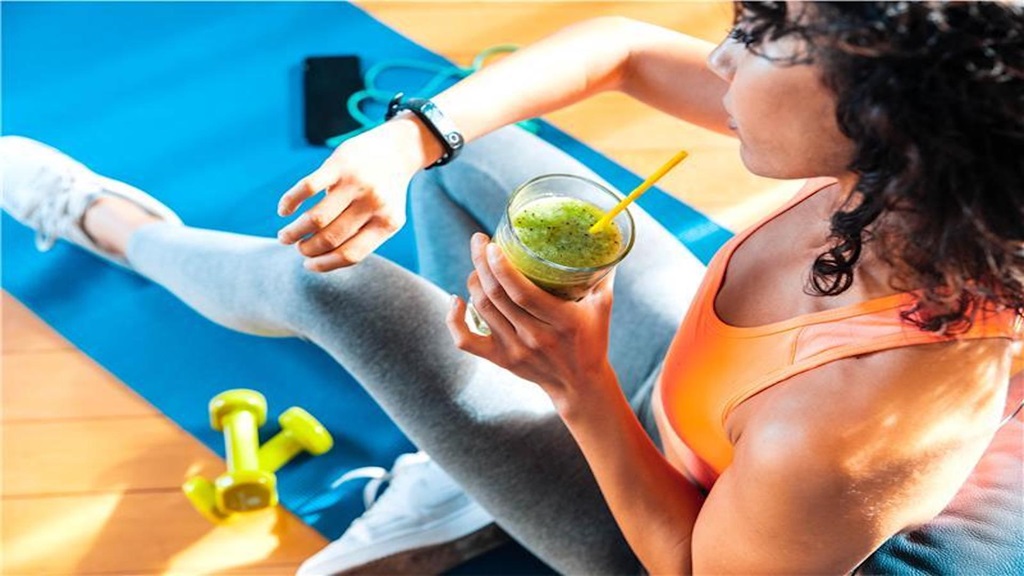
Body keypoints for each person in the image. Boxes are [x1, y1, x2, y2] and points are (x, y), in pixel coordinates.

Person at [4, 1, 1022, 574]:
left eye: (766, 36)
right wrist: (409, 139)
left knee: (340, 294)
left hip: (660, 537)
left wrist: (573, 380)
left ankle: (108, 222)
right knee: (467, 155)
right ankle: (468, 473)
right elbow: (619, 49)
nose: (721, 52)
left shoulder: (844, 426)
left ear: (890, 117)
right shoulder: (909, 184)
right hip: (693, 419)